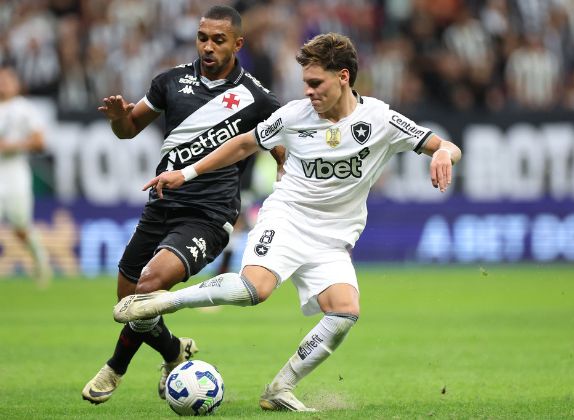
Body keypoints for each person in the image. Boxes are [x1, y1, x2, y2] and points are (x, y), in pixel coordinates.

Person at [113, 32, 462, 412]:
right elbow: (244, 144)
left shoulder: (379, 118)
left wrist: (443, 154)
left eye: (316, 83)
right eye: (305, 83)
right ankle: (163, 301)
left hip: (333, 239)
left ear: (343, 77)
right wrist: (186, 173)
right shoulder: (294, 115)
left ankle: (280, 388)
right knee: (254, 289)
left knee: (345, 311)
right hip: (288, 218)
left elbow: (446, 145)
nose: (308, 91)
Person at [82, 5, 283, 404]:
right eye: (202, 38)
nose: (208, 47)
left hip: (209, 214)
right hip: (161, 203)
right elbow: (128, 129)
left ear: (237, 44)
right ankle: (174, 351)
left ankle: (114, 368)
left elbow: (283, 150)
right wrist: (119, 118)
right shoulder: (169, 82)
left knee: (149, 286)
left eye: (218, 40)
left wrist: (284, 176)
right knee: (128, 299)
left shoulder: (258, 99)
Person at [0, 66, 52, 288]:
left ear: (17, 84)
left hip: (15, 171)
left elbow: (40, 141)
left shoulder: (24, 108)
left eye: (7, 80)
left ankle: (39, 258)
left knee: (20, 225)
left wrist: (12, 146)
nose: (3, 84)